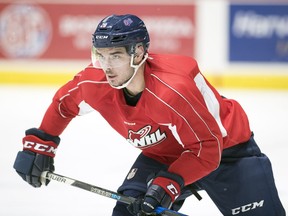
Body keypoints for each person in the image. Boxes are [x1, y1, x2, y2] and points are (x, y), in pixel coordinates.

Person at [13, 14, 285, 216]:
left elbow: (207, 148)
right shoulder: (94, 81)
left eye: (116, 55)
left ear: (139, 52)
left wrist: (169, 183)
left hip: (226, 150)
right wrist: (43, 142)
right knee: (129, 213)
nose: (106, 67)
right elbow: (63, 104)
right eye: (101, 55)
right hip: (163, 153)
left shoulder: (172, 91)